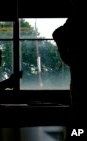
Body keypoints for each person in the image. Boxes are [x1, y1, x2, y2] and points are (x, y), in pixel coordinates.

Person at [52, 1, 86, 140]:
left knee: (78, 127)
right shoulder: (73, 22)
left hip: (79, 82)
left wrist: (62, 49)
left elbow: (57, 34)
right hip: (78, 80)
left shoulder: (72, 22)